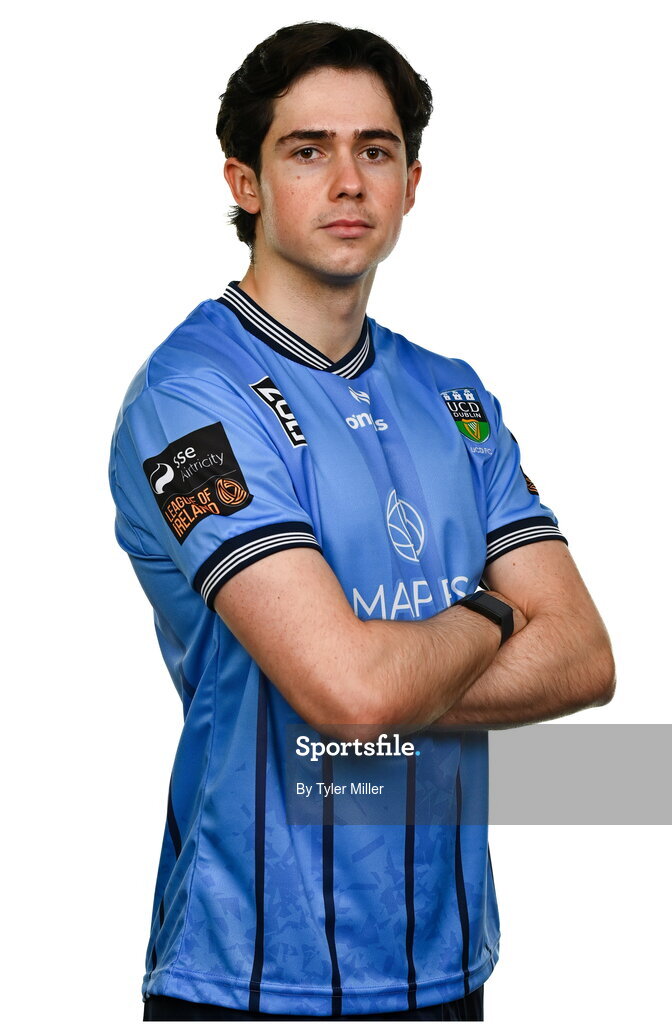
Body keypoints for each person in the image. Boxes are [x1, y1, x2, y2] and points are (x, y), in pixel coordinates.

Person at [108, 21, 615, 1022]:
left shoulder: (455, 395)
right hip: (249, 976)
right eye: (308, 149)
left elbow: (590, 657)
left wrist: (388, 675)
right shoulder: (191, 399)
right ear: (244, 182)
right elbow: (344, 693)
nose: (348, 180)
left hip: (448, 966)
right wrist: (497, 614)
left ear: (411, 184)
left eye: (375, 150)